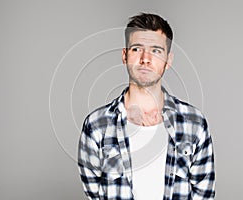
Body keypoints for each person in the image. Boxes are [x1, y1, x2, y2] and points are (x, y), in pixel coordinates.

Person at [78, 12, 215, 200]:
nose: (145, 59)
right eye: (136, 49)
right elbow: (94, 194)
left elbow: (204, 194)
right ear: (125, 56)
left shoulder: (195, 124)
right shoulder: (96, 125)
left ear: (168, 60)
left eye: (156, 51)